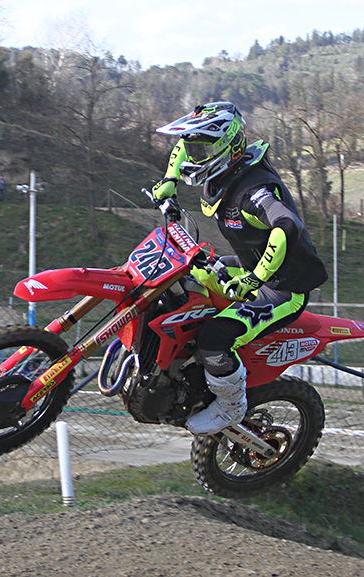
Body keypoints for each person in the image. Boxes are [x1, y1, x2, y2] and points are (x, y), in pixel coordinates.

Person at [151, 101, 328, 435]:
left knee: (214, 337)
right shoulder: (223, 171)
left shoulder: (254, 191)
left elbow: (287, 226)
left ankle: (230, 405)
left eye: (201, 149)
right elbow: (179, 146)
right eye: (194, 147)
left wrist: (256, 278)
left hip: (281, 287)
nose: (193, 155)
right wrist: (169, 181)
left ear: (227, 146)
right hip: (247, 266)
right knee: (181, 279)